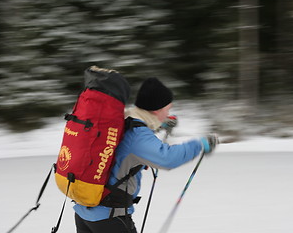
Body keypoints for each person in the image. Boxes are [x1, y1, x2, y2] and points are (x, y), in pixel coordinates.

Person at [73, 77, 218, 233]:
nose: (168, 113)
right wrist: (199, 144)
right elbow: (167, 158)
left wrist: (160, 124)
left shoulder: (123, 119)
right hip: (109, 217)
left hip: (85, 213)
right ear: (156, 110)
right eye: (167, 109)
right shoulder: (138, 135)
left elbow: (134, 140)